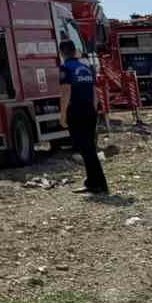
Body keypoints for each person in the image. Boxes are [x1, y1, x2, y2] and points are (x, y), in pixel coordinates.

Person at [60, 38, 108, 195]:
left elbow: (66, 92)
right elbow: (94, 92)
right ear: (75, 51)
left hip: (76, 111)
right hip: (89, 110)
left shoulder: (65, 68)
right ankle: (94, 182)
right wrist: (93, 110)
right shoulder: (86, 68)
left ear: (62, 53)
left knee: (85, 149)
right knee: (89, 148)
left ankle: (97, 184)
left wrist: (63, 115)